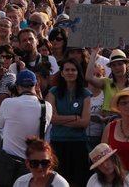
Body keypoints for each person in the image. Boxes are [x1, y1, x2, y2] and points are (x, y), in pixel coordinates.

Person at [46, 58, 91, 187]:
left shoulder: (85, 94)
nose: (70, 72)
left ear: (78, 73)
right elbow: (52, 118)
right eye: (67, 70)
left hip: (78, 144)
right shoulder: (53, 92)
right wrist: (75, 117)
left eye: (73, 70)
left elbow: (85, 122)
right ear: (62, 73)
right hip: (58, 143)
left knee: (77, 182)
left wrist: (61, 119)